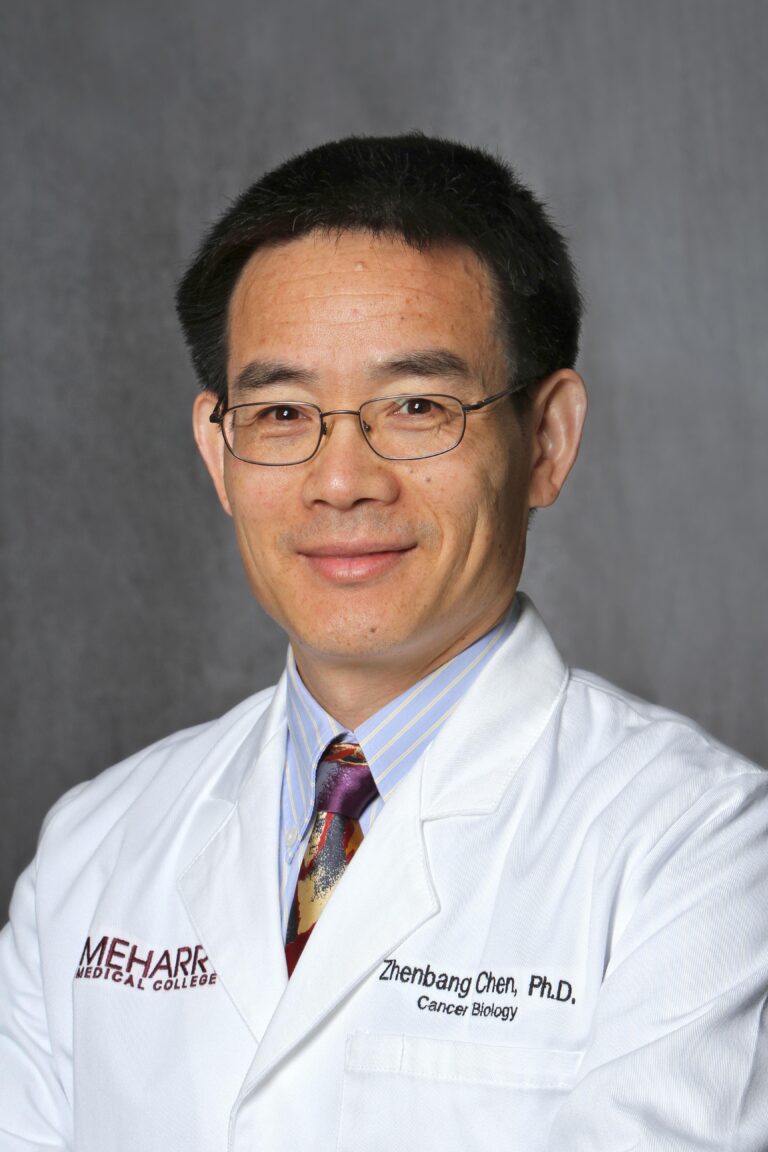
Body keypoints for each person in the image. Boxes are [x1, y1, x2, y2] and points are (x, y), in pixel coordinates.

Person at [1, 133, 766, 1152]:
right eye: (280, 412)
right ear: (217, 451)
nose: (342, 480)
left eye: (416, 406)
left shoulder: (701, 855)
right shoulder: (94, 849)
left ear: (548, 438)